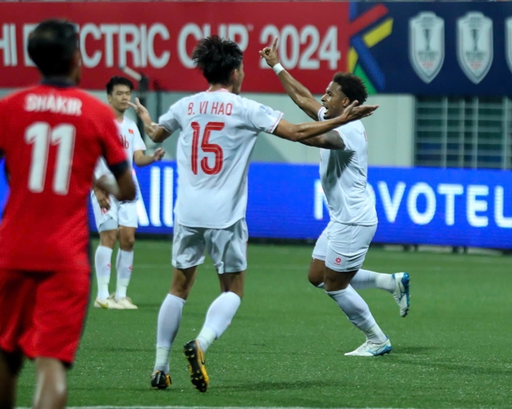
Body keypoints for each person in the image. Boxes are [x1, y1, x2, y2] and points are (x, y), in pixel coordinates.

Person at [130, 36, 378, 392]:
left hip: (186, 212)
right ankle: (202, 341)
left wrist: (144, 116)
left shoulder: (185, 106)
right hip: (225, 216)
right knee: (232, 289)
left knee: (178, 287)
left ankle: (159, 366)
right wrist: (343, 119)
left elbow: (155, 133)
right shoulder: (245, 108)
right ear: (234, 72)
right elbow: (297, 132)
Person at [0, 19, 136, 409]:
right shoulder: (96, 114)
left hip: (12, 252)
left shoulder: (9, 107)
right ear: (76, 58)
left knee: (5, 361)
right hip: (65, 258)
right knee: (51, 366)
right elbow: (128, 187)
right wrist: (103, 184)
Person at [259, 37, 410, 357]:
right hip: (342, 217)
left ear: (346, 104)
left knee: (335, 284)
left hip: (354, 220)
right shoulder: (334, 116)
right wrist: (276, 66)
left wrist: (274, 125)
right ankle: (390, 282)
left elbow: (309, 138)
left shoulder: (348, 131)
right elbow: (302, 99)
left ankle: (376, 339)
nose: (323, 96)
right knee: (317, 276)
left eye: (330, 93)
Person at [91, 76, 165, 310]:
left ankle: (121, 295)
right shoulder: (98, 124)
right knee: (109, 236)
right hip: (104, 185)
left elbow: (138, 158)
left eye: (127, 93)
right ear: (109, 97)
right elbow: (86, 158)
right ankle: (102, 295)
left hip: (127, 187)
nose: (124, 97)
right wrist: (96, 188)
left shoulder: (131, 126)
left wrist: (152, 158)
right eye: (119, 93)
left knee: (129, 239)